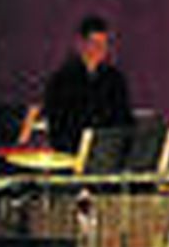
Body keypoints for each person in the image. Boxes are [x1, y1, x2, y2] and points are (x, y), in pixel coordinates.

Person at [22, 14, 133, 154]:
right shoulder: (62, 80)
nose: (100, 49)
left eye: (104, 44)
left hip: (107, 151)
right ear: (81, 44)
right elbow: (58, 124)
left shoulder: (115, 79)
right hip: (72, 151)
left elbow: (123, 119)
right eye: (94, 43)